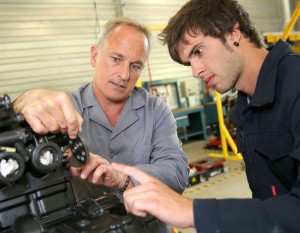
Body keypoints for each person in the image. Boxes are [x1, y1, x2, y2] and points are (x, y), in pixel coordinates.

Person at [111, 0, 300, 232]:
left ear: (233, 32)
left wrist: (193, 211)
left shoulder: (296, 86)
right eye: (189, 62)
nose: (195, 71)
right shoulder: (244, 109)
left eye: (198, 51)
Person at [13, 17, 189, 232]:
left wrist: (122, 179)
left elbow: (177, 173)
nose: (124, 74)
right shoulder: (65, 110)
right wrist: (25, 100)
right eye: (116, 59)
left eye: (135, 66)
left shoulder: (156, 111)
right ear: (95, 56)